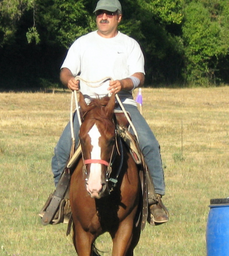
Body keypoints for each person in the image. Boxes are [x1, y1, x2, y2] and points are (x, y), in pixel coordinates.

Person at [51, 0, 169, 224]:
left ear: (119, 17)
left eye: (109, 14)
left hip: (121, 106)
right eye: (100, 14)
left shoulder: (130, 45)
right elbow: (65, 70)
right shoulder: (82, 43)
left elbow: (139, 76)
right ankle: (63, 200)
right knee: (61, 151)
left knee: (149, 144)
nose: (103, 17)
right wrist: (69, 80)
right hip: (88, 108)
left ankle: (155, 199)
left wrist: (124, 83)